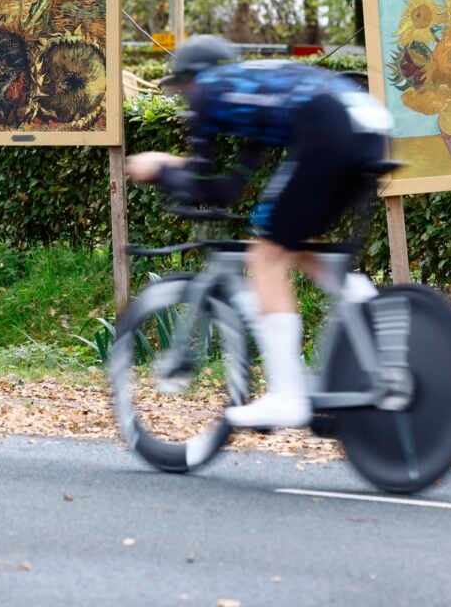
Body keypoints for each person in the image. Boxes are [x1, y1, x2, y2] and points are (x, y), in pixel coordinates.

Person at [127, 35, 391, 429]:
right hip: (369, 129)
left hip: (330, 130)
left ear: (193, 77)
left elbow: (202, 175)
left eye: (182, 86)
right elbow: (230, 187)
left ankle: (287, 397)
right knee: (291, 238)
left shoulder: (211, 91)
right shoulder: (252, 91)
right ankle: (361, 302)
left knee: (265, 256)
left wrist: (160, 167)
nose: (185, 97)